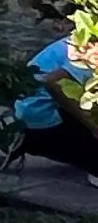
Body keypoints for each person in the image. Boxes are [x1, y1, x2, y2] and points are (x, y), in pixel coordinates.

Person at [11, 36, 98, 184]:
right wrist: (93, 126)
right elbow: (53, 82)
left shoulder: (87, 33)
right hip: (39, 114)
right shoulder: (93, 51)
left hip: (30, 104)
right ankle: (29, 140)